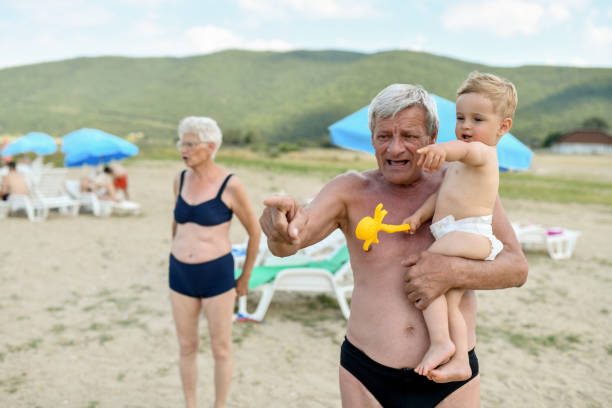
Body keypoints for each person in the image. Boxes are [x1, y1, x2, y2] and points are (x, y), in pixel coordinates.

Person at [259, 84, 528, 407]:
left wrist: (453, 271)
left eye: (410, 137)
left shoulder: (464, 182)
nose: (395, 148)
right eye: (384, 136)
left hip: (450, 380)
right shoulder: (349, 190)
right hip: (367, 375)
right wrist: (279, 228)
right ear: (371, 137)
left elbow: (516, 268)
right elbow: (291, 241)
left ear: (433, 136)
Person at [402, 72, 517, 383]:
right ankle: (460, 360)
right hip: (459, 234)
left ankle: (440, 342)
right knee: (450, 301)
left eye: (477, 119)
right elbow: (441, 196)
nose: (466, 126)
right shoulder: (459, 165)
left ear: (502, 127)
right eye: (460, 117)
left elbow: (464, 150)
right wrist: (418, 215)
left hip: (470, 234)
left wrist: (443, 150)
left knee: (425, 270)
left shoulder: (482, 153)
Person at [170, 116, 260, 408]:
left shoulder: (230, 185)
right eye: (181, 143)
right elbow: (177, 223)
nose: (183, 149)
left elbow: (254, 232)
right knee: (186, 346)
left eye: (189, 144)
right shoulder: (180, 179)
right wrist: (176, 250)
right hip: (180, 273)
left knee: (220, 348)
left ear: (210, 147)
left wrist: (245, 278)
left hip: (216, 274)